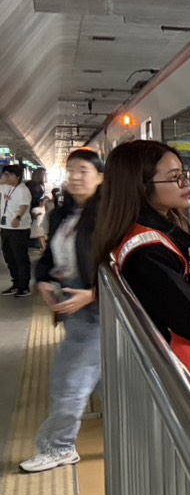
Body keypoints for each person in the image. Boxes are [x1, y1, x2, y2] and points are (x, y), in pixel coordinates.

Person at [92, 141, 190, 408]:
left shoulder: (137, 233)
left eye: (184, 174)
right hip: (180, 380)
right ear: (142, 186)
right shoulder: (148, 251)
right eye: (175, 177)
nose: (186, 183)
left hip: (170, 377)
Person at [20, 150, 105, 473]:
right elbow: (48, 259)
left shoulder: (109, 217)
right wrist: (43, 279)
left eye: (84, 170)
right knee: (91, 381)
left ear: (100, 178)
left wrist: (93, 294)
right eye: (72, 170)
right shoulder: (62, 215)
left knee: (71, 383)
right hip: (74, 312)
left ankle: (59, 447)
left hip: (100, 314)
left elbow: (123, 268)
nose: (76, 177)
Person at [0, 165, 34, 296]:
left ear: (17, 176)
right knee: (9, 258)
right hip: (5, 227)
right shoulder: (6, 187)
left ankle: (24, 287)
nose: (6, 177)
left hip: (19, 229)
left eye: (9, 174)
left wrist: (18, 218)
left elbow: (24, 205)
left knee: (20, 258)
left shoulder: (22, 190)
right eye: (5, 174)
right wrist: (3, 180)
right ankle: (16, 283)